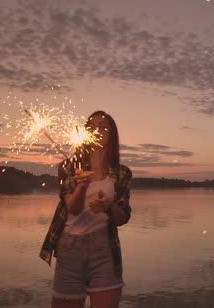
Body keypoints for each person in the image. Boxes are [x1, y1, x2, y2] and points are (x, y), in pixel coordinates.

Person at [40, 111, 133, 308]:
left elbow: (123, 216)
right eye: (92, 126)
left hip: (104, 249)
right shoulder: (68, 167)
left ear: (112, 135)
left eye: (103, 127)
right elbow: (72, 209)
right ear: (85, 133)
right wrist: (82, 186)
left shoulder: (122, 172)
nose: (97, 130)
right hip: (70, 249)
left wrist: (109, 207)